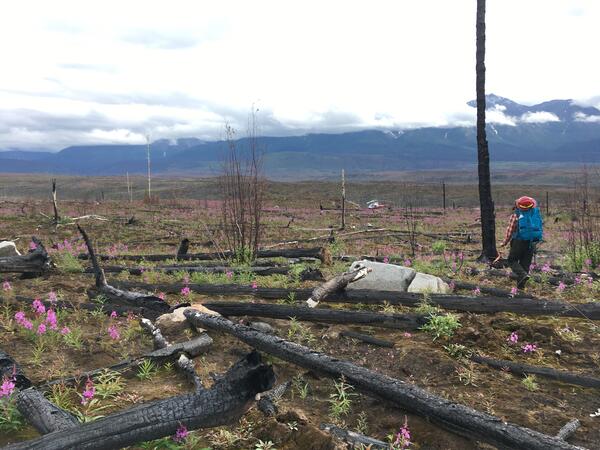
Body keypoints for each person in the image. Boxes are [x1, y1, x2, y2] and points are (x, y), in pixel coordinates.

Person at [499, 196, 543, 289]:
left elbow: (510, 231)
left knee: (512, 260)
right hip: (531, 242)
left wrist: (504, 242)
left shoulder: (516, 215)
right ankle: (521, 288)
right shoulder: (535, 213)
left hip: (518, 242)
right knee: (525, 264)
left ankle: (522, 275)